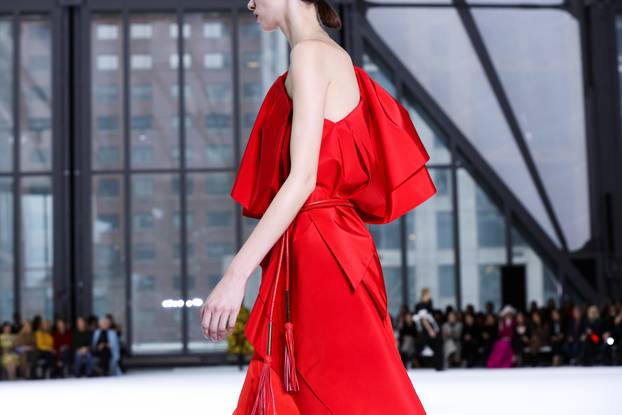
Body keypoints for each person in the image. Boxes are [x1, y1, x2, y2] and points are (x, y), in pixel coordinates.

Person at [200, 0, 436, 413]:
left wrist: (236, 275)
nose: (250, 3)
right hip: (330, 245)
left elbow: (303, 179)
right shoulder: (329, 56)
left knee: (338, 390)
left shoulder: (309, 55)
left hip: (321, 250)